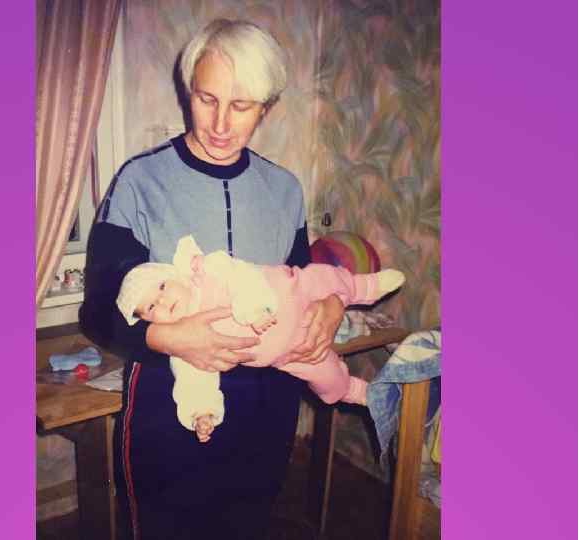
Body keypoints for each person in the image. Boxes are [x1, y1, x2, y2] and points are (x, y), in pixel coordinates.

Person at [79, 19, 347, 540]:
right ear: (188, 92)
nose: (221, 124)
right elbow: (98, 309)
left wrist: (332, 303)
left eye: (241, 106)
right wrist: (167, 336)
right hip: (169, 406)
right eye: (207, 99)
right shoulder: (140, 181)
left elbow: (303, 282)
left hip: (268, 408)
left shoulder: (285, 190)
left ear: (266, 108)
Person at [115, 235, 406, 443]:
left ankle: (364, 286)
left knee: (322, 278)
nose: (163, 301)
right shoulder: (185, 343)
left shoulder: (207, 271)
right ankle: (356, 391)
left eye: (162, 287)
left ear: (175, 275)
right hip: (290, 353)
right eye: (151, 307)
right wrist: (201, 412)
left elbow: (242, 275)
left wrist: (252, 309)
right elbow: (194, 380)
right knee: (327, 380)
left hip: (293, 292)